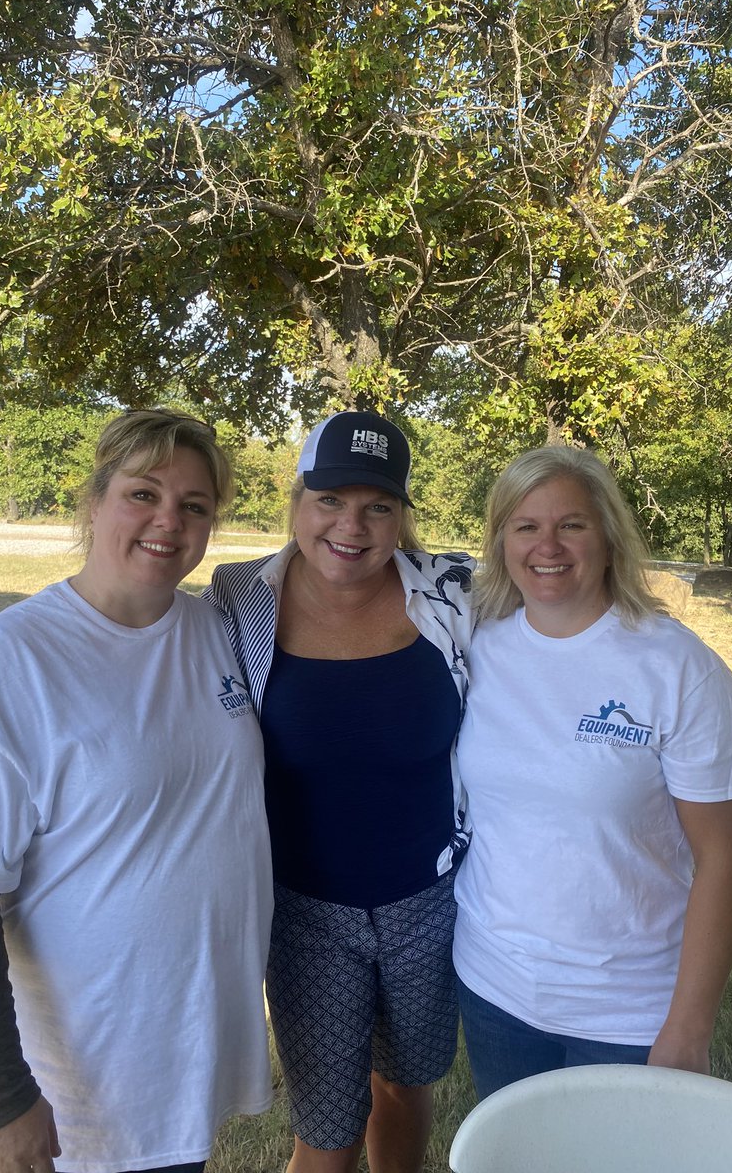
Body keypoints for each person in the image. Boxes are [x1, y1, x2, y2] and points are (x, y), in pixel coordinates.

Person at [0, 409, 274, 1173]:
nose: (168, 521)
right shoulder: (10, 661)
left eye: (195, 505)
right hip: (88, 1084)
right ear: (95, 501)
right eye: (143, 493)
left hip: (188, 1053)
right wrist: (0, 1098)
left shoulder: (214, 630)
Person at [204, 410, 474, 1173]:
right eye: (330, 500)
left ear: (401, 516)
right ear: (296, 502)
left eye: (377, 506)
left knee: (409, 1084)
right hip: (302, 906)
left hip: (432, 899)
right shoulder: (238, 599)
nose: (351, 525)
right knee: (326, 1128)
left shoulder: (455, 595)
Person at [453, 445, 732, 1099]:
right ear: (502, 539)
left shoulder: (678, 669)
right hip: (494, 987)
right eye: (525, 525)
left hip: (628, 1009)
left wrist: (688, 1025)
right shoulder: (479, 644)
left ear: (610, 537)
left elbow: (724, 863)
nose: (548, 545)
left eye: (572, 524)